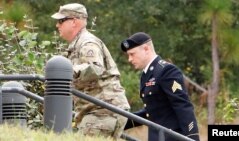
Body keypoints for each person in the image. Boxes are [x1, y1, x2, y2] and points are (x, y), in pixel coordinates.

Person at [51, 3, 130, 140]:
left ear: (74, 21)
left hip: (103, 110)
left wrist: (67, 71)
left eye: (61, 21)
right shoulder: (77, 44)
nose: (57, 25)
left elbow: (95, 67)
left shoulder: (87, 43)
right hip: (99, 110)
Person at [120, 32, 200, 141]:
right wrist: (120, 122)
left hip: (172, 137)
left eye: (132, 54)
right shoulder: (146, 75)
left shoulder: (166, 70)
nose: (129, 59)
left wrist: (192, 137)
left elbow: (183, 106)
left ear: (146, 49)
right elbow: (152, 110)